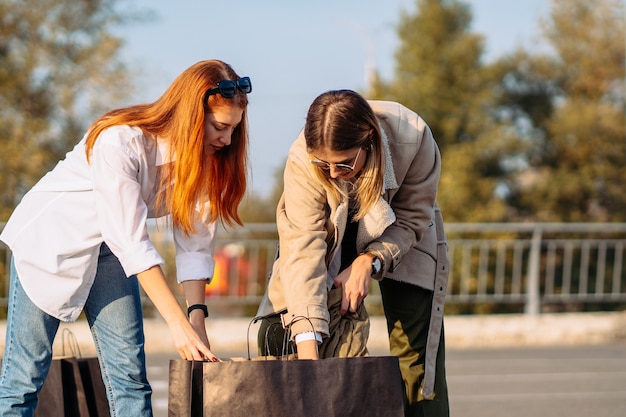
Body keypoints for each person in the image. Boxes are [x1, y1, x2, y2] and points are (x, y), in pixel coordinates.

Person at [0, 59, 251, 416]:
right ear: (190, 116)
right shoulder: (120, 142)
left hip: (110, 252)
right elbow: (133, 242)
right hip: (50, 244)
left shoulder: (205, 163)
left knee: (131, 381)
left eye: (233, 130)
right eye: (219, 127)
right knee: (23, 382)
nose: (226, 140)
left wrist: (195, 318)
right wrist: (176, 325)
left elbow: (195, 241)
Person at [256, 89, 449, 416]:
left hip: (403, 236)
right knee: (279, 330)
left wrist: (369, 260)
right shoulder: (303, 158)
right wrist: (308, 362)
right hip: (329, 234)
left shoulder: (413, 137)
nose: (332, 173)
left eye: (343, 163)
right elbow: (303, 247)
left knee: (415, 364)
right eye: (324, 164)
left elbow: (415, 218)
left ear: (368, 142)